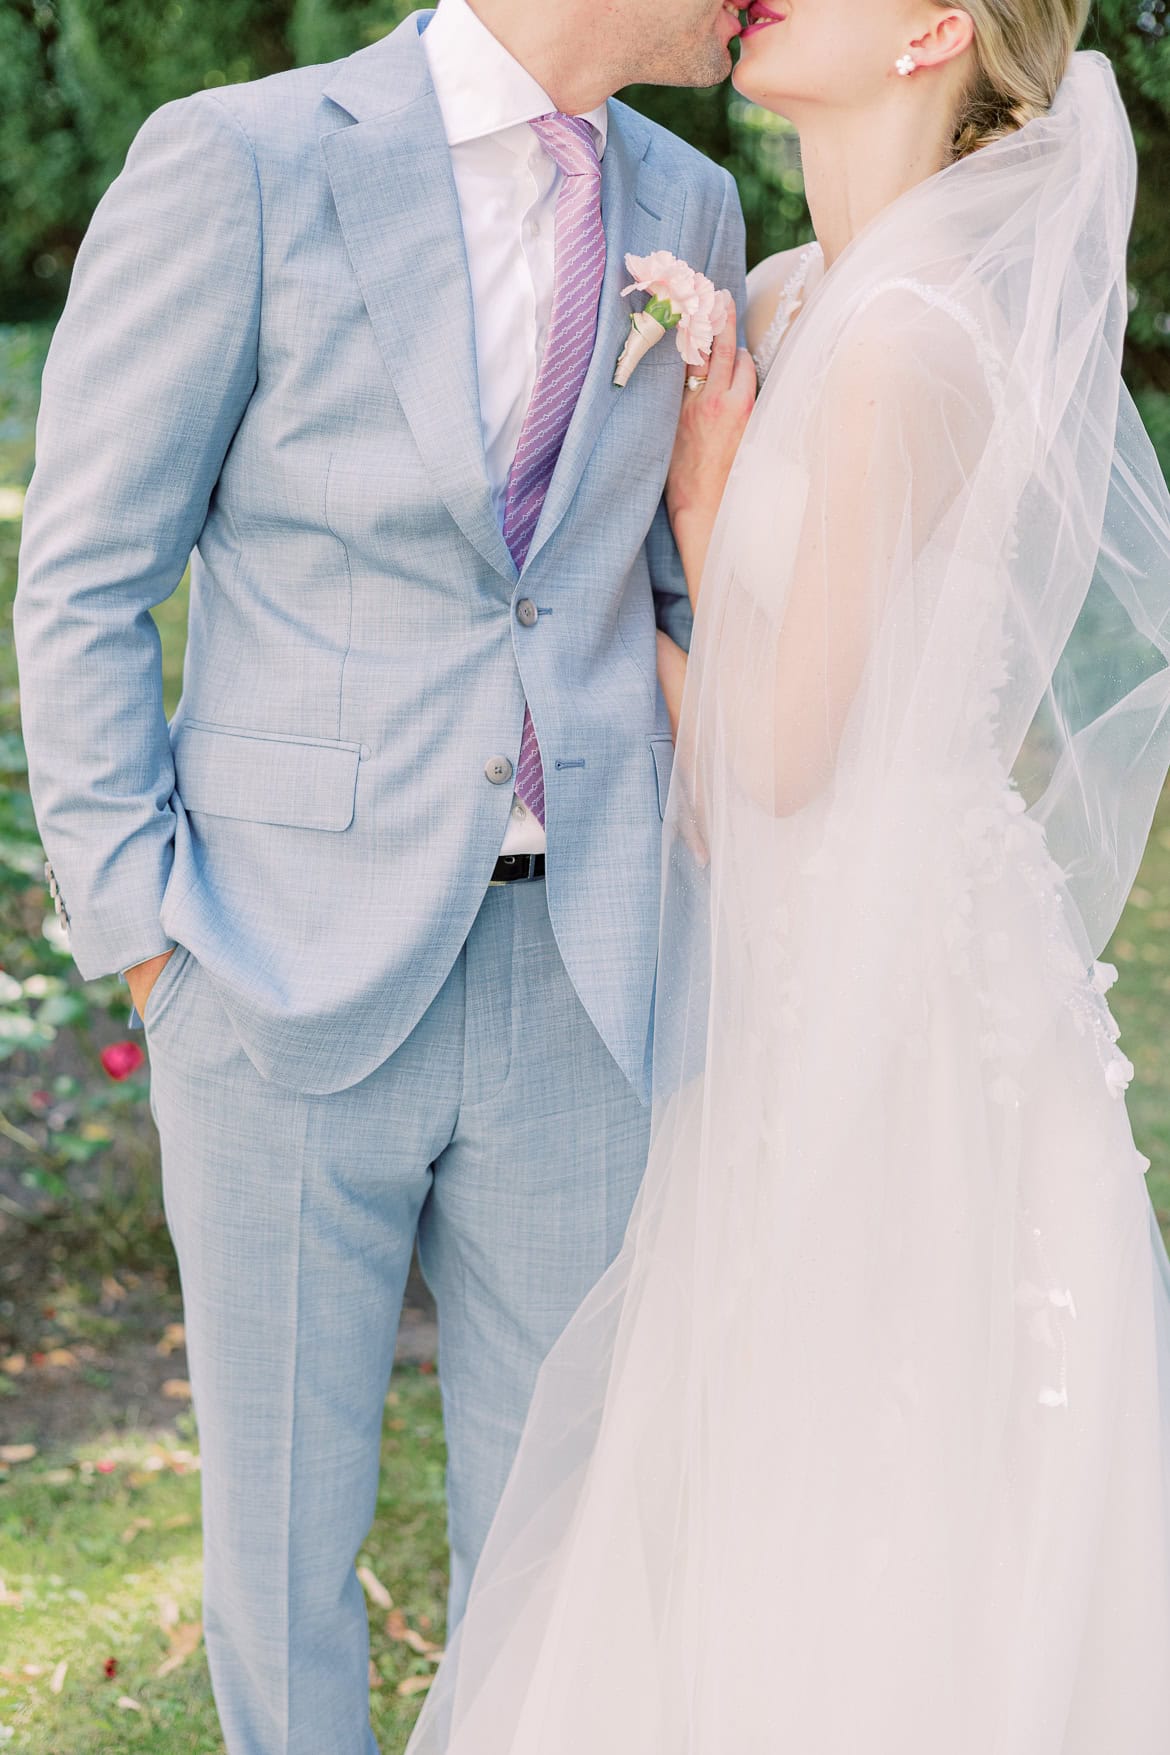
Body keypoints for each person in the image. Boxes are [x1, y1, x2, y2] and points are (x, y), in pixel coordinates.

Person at [405, 4, 1170, 1751]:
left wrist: (531, 647)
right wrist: (698, 520)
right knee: (765, 1423)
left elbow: (769, 761)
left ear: (927, 34)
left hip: (895, 995)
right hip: (787, 949)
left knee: (878, 1440)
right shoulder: (791, 300)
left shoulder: (907, 339)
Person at [11, 0, 747, 1746]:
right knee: (280, 1537)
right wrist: (144, 937)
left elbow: (652, 588)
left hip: (584, 969)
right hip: (268, 967)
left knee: (555, 1538)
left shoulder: (691, 208)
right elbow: (86, 574)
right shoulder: (243, 164)